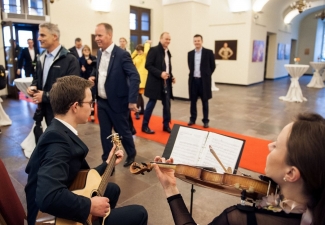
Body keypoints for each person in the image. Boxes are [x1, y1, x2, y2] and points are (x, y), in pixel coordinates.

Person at [153, 112, 325, 225]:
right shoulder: (315, 207)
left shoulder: (241, 218)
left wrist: (170, 188)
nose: (269, 145)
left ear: (291, 173)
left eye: (277, 145)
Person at [25, 75, 148, 225]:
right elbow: (47, 197)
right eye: (90, 103)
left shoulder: (59, 129)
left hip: (65, 194)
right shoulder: (57, 141)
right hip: (52, 218)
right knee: (140, 213)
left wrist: (107, 163)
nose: (92, 107)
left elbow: (76, 176)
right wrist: (90, 205)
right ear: (75, 106)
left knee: (112, 189)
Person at [89, 23, 139, 167]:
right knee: (105, 134)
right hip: (102, 102)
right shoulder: (99, 53)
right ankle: (107, 160)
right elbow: (100, 70)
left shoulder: (122, 54)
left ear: (109, 35)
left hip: (118, 102)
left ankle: (131, 153)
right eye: (96, 35)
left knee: (123, 131)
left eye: (100, 35)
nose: (96, 38)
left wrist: (132, 100)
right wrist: (93, 76)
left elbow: (134, 76)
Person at [26, 22, 80, 126]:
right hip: (45, 110)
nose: (38, 38)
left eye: (42, 35)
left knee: (60, 141)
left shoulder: (70, 59)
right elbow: (37, 78)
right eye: (39, 35)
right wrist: (33, 86)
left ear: (54, 36)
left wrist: (45, 96)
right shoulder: (41, 57)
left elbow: (73, 91)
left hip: (62, 113)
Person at [141, 32, 176, 134]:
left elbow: (167, 67)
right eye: (166, 39)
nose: (168, 41)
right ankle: (145, 126)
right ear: (161, 39)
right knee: (151, 104)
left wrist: (171, 76)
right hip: (155, 83)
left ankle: (166, 125)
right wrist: (160, 74)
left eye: (169, 39)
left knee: (167, 105)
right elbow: (148, 65)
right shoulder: (154, 50)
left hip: (166, 83)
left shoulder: (167, 52)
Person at [187, 34, 216, 128]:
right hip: (193, 81)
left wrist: (206, 75)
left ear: (202, 41)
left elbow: (213, 66)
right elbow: (190, 66)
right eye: (195, 41)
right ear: (193, 42)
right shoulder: (190, 53)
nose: (197, 42)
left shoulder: (209, 52)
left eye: (198, 41)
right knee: (193, 101)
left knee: (205, 101)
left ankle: (206, 121)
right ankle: (192, 119)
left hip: (204, 81)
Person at [131, 40, 151, 119]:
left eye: (140, 50)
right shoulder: (136, 57)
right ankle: (142, 110)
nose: (139, 52)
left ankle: (137, 111)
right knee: (139, 95)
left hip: (143, 78)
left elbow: (146, 50)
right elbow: (131, 57)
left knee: (138, 95)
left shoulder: (145, 56)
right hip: (137, 78)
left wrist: (146, 43)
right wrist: (136, 50)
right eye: (138, 51)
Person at [79, 44, 97, 122]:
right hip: (84, 80)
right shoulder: (80, 59)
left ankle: (92, 114)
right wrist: (81, 69)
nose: (86, 51)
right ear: (82, 51)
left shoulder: (93, 58)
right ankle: (85, 114)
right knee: (85, 98)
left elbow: (97, 66)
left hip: (92, 80)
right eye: (84, 50)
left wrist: (92, 62)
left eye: (87, 50)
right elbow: (77, 69)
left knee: (92, 98)